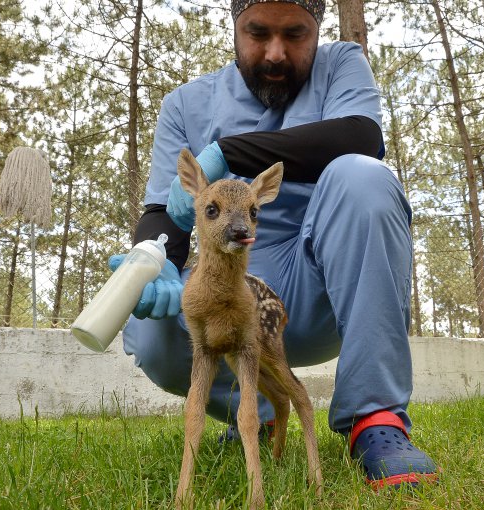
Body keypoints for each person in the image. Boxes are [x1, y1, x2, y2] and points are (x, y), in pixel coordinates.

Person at [108, 0, 438, 490]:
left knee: (363, 176)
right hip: (223, 289)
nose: (276, 53)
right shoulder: (186, 104)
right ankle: (257, 416)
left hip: (317, 284)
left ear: (318, 29)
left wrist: (229, 151)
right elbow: (164, 209)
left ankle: (376, 419)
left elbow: (359, 136)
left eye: (296, 34)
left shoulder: (342, 65)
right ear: (234, 27)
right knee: (148, 329)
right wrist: (150, 257)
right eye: (258, 33)